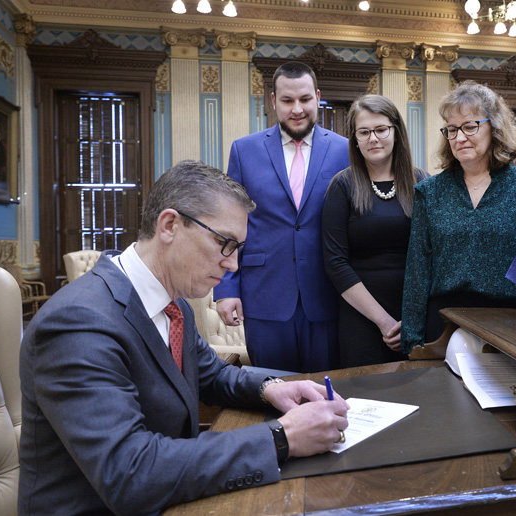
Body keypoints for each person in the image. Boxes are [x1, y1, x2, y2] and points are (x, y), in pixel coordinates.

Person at [18, 161, 350, 516]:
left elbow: (212, 375)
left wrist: (271, 387)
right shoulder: (79, 322)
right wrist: (281, 438)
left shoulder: (175, 306)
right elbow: (129, 474)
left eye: (238, 248)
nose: (233, 264)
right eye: (225, 243)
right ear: (170, 225)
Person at [214, 61, 349, 373]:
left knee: (327, 391)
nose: (297, 109)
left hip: (328, 296)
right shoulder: (244, 150)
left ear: (317, 97)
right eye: (287, 101)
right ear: (273, 101)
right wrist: (226, 289)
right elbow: (228, 226)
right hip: (264, 296)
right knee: (272, 393)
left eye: (304, 99)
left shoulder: (345, 151)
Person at [401, 81, 516, 354]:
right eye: (452, 130)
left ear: (495, 128)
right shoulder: (429, 192)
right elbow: (417, 270)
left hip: (511, 324)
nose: (459, 137)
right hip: (443, 324)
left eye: (470, 126)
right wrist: (412, 340)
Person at [322, 94, 428, 367]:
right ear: (354, 139)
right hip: (362, 319)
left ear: (396, 131)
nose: (373, 138)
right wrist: (384, 322)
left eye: (381, 129)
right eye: (364, 132)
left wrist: (414, 318)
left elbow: (435, 255)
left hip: (416, 317)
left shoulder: (422, 182)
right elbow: (335, 263)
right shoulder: (342, 186)